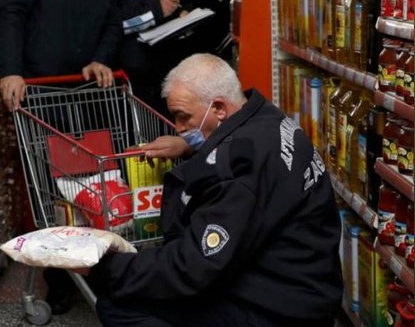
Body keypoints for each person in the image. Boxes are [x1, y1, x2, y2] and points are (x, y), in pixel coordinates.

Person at [86, 54, 343, 326]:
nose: (179, 128)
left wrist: (104, 268)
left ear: (219, 108)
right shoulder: (265, 117)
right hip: (303, 285)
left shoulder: (239, 173)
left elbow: (192, 267)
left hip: (280, 310)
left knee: (120, 305)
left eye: (183, 117)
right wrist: (193, 147)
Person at [0, 0, 123, 315]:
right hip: (41, 88)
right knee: (50, 187)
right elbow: (11, 12)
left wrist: (102, 58)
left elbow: (113, 20)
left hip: (87, 92)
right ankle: (60, 280)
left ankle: (101, 267)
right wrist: (11, 70)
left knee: (90, 181)